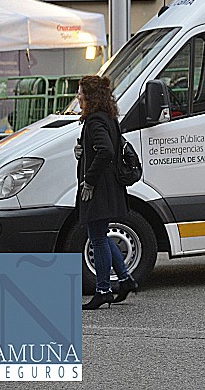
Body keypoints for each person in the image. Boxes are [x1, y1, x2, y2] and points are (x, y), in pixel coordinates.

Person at [76, 76, 139, 310]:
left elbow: (105, 151)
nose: (78, 96)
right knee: (99, 234)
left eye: (80, 92)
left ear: (90, 96)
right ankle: (125, 279)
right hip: (109, 187)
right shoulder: (108, 118)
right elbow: (104, 148)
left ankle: (103, 290)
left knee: (98, 237)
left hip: (98, 190)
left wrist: (89, 181)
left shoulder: (94, 121)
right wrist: (82, 153)